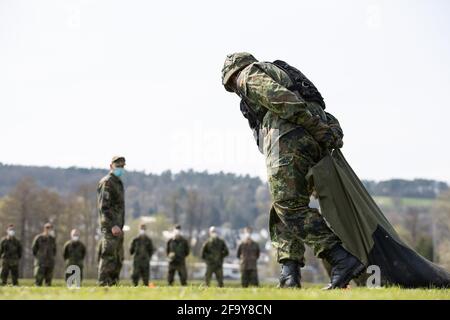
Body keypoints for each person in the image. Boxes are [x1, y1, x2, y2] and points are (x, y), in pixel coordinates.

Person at [222, 52, 364, 289]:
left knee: (289, 206)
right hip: (309, 137)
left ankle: (340, 258)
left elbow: (278, 98)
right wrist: (325, 130)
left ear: (233, 74)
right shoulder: (286, 75)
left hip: (289, 135)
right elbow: (321, 111)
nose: (236, 90)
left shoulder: (248, 74)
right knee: (282, 207)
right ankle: (290, 274)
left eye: (231, 84)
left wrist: (312, 125)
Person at [97, 156, 126, 286]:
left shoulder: (117, 182)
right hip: (111, 227)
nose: (120, 169)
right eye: (118, 166)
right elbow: (104, 207)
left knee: (118, 258)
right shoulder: (108, 182)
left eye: (122, 166)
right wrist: (113, 225)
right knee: (108, 256)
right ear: (111, 166)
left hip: (118, 227)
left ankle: (113, 284)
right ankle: (103, 284)